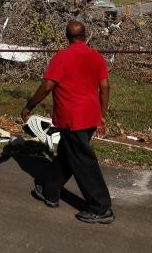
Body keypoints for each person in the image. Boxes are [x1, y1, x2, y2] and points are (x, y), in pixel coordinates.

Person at [21, 20, 114, 224]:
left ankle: (101, 208)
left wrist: (29, 106)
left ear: (67, 36)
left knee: (83, 162)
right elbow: (105, 87)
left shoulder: (62, 57)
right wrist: (101, 114)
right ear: (85, 35)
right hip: (90, 116)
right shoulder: (96, 56)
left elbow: (47, 86)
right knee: (66, 155)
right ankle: (50, 191)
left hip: (73, 118)